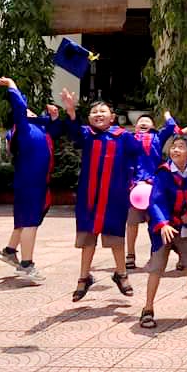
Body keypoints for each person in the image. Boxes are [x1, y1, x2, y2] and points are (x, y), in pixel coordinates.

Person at [61, 90, 142, 302]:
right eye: (94, 112)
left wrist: (140, 180)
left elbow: (139, 158)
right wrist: (71, 111)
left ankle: (121, 274)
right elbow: (73, 133)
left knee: (115, 237)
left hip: (114, 196)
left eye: (102, 111)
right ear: (89, 118)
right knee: (87, 237)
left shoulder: (123, 137)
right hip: (89, 196)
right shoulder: (87, 135)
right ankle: (83, 277)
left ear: (112, 117)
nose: (98, 114)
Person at [0, 77, 62, 281]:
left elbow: (54, 131)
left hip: (38, 182)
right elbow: (19, 105)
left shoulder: (38, 128)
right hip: (29, 183)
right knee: (30, 222)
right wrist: (11, 85)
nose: (31, 111)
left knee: (26, 221)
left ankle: (9, 251)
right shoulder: (23, 128)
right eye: (28, 110)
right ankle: (26, 265)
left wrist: (54, 116)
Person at [139, 134, 187, 327]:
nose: (175, 150)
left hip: (185, 227)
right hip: (164, 228)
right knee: (156, 268)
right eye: (173, 146)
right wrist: (163, 223)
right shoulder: (163, 173)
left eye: (180, 147)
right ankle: (147, 309)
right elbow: (156, 200)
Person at [125, 112, 178, 271]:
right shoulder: (129, 139)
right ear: (135, 126)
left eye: (147, 121)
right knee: (132, 223)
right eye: (140, 121)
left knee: (154, 222)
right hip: (134, 187)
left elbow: (171, 126)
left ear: (153, 126)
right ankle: (130, 255)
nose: (143, 123)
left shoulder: (158, 137)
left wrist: (167, 115)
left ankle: (155, 254)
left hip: (154, 186)